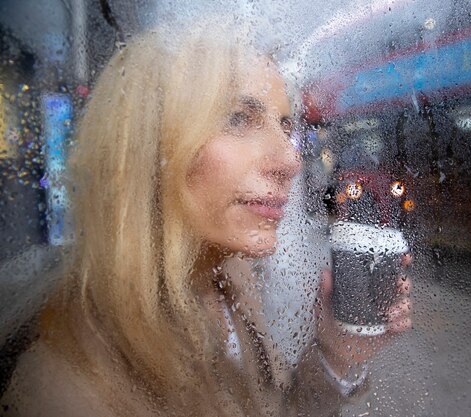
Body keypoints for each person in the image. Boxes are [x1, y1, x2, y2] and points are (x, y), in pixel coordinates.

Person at [0, 21, 412, 417]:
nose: (291, 160)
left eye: (285, 127)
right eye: (238, 118)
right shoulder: (64, 392)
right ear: (149, 148)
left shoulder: (232, 281)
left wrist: (336, 356)